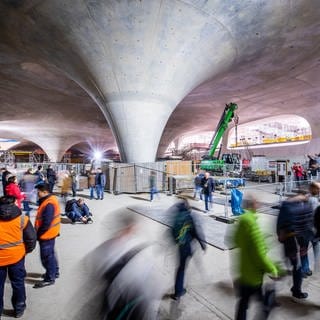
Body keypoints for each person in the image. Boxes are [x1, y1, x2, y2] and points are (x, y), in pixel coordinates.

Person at [233, 195, 280, 320]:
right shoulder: (251, 223)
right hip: (253, 277)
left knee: (243, 304)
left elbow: (237, 240)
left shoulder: (241, 219)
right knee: (263, 303)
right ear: (253, 205)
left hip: (243, 272)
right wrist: (272, 269)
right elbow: (258, 253)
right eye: (257, 203)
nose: (259, 205)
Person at [0, 195, 36, 318]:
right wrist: (26, 250)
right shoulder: (22, 219)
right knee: (18, 283)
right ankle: (19, 309)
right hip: (17, 256)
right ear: (14, 203)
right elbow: (31, 238)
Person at [277, 192, 313, 300]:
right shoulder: (295, 208)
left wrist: (279, 235)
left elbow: (280, 224)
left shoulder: (287, 206)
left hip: (291, 242)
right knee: (297, 267)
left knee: (295, 265)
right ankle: (296, 290)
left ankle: (295, 288)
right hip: (294, 242)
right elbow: (306, 226)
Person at [170, 199, 206, 300]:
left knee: (180, 268)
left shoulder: (177, 216)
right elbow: (196, 232)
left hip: (180, 246)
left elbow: (171, 232)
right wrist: (202, 244)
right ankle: (179, 291)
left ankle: (178, 290)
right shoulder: (188, 217)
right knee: (182, 268)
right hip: (187, 247)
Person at [33, 183, 61, 288]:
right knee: (51, 255)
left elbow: (46, 222)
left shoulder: (49, 203)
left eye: (38, 192)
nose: (37, 194)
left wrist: (38, 234)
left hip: (47, 234)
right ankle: (54, 272)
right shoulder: (50, 200)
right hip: (50, 233)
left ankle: (50, 278)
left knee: (46, 257)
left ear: (45, 192)